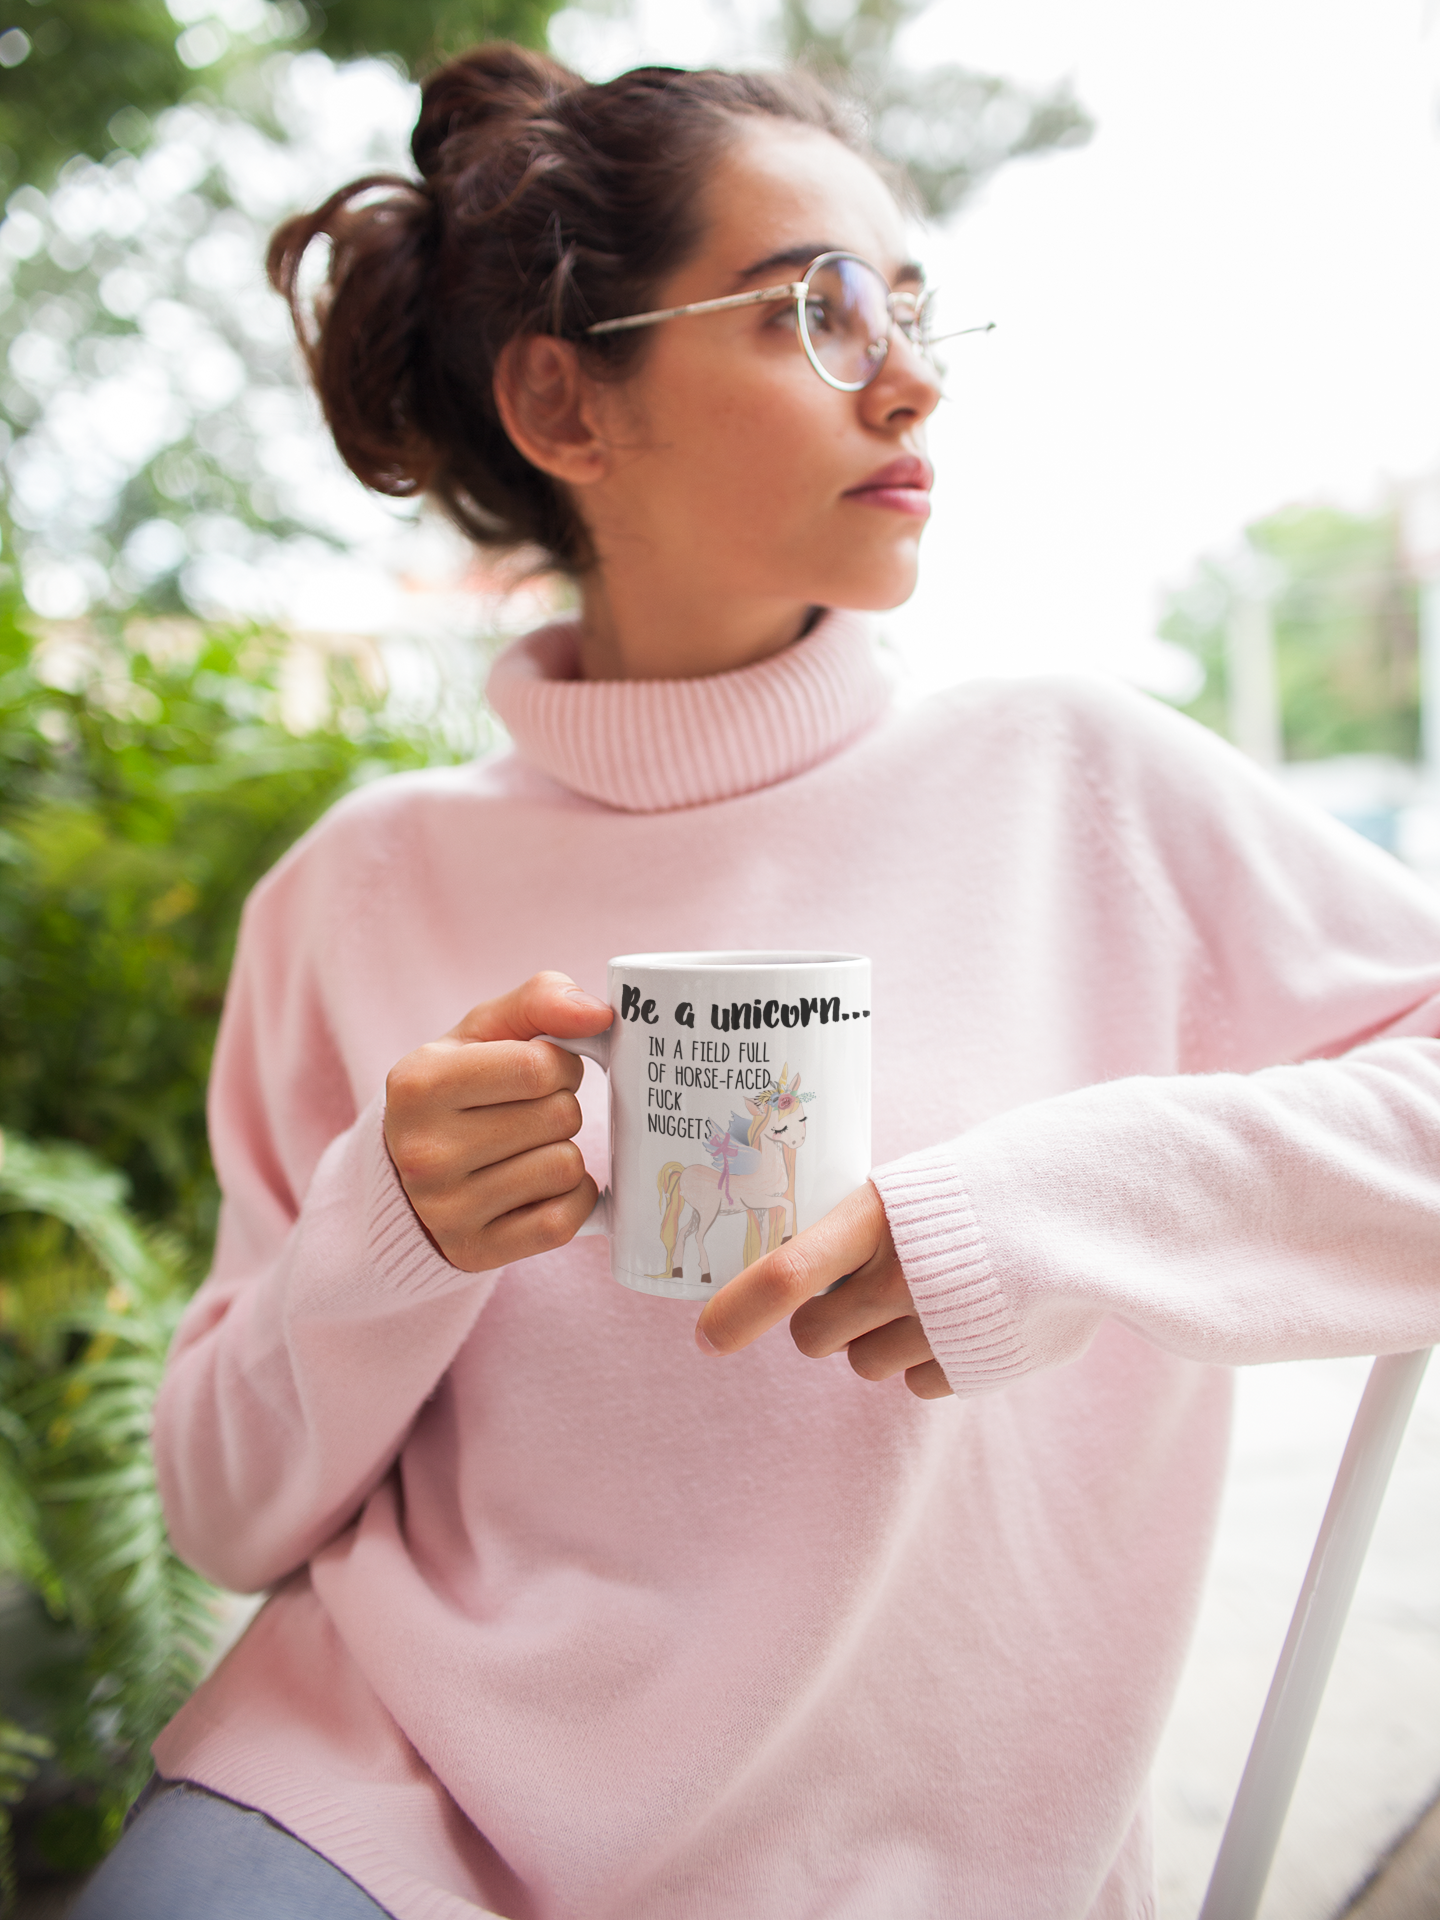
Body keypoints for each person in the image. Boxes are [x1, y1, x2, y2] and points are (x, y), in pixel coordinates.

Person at [73, 40, 1440, 1920]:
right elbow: (223, 1512)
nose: (915, 369)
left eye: (914, 302)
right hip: (380, 1804)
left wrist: (1067, 1212)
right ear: (565, 399)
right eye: (819, 305)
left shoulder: (1077, 781)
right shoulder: (358, 888)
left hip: (915, 1857)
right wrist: (382, 1233)